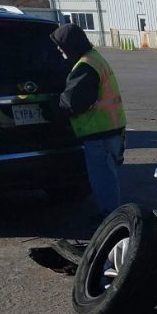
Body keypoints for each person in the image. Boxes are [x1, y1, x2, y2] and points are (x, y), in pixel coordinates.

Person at [49, 23, 126, 223]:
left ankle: (109, 219)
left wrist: (50, 110)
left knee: (103, 179)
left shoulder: (84, 66)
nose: (58, 50)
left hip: (98, 132)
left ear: (70, 45)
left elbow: (74, 101)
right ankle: (112, 215)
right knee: (109, 176)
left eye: (61, 46)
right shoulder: (94, 58)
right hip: (111, 128)